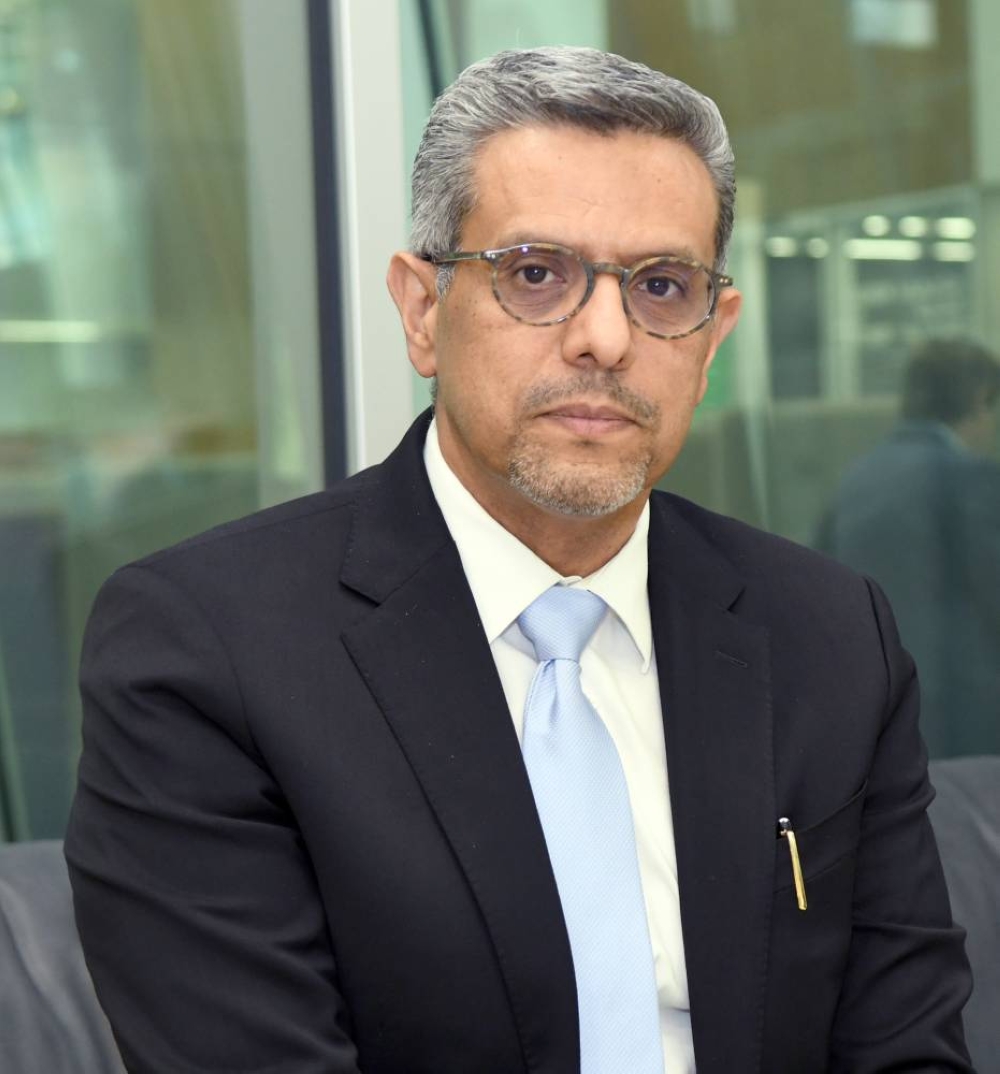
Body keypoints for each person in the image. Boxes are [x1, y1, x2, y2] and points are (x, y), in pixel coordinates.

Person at [66, 47, 974, 1074]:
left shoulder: (827, 635)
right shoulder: (208, 651)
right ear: (422, 311)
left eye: (661, 286)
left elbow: (906, 1047)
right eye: (536, 274)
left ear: (712, 337)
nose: (605, 338)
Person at [818, 339, 1000, 759]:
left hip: (875, 712)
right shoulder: (969, 478)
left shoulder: (857, 478)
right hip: (964, 720)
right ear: (980, 400)